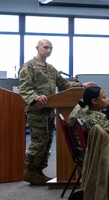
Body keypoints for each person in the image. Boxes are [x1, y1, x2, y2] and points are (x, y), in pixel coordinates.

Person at [18, 39, 91, 185]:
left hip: (50, 108)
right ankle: (30, 170)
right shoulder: (28, 67)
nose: (48, 50)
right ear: (37, 48)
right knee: (39, 141)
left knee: (47, 140)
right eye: (45, 47)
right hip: (36, 109)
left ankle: (39, 171)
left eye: (51, 48)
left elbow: (63, 84)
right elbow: (25, 88)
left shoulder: (50, 68)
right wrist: (35, 97)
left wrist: (81, 85)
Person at [68, 85, 109, 160]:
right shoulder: (99, 119)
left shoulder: (82, 110)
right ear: (94, 101)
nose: (108, 100)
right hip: (94, 157)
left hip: (83, 153)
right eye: (104, 97)